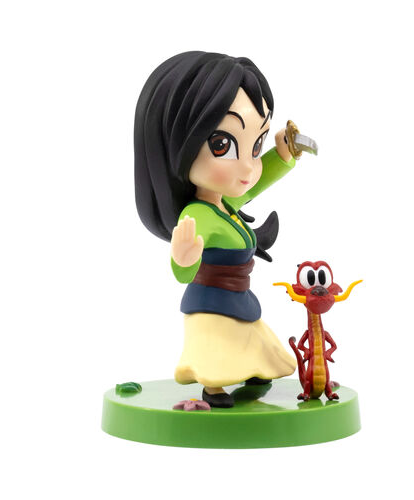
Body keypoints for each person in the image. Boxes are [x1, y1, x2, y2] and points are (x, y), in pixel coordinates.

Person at [134, 51, 302, 407]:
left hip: (238, 300)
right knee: (216, 350)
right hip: (211, 307)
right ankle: (213, 387)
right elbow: (182, 271)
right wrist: (183, 259)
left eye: (256, 145)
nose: (248, 167)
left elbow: (253, 185)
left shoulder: (222, 204)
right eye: (222, 145)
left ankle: (253, 373)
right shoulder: (198, 215)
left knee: (252, 339)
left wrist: (282, 156)